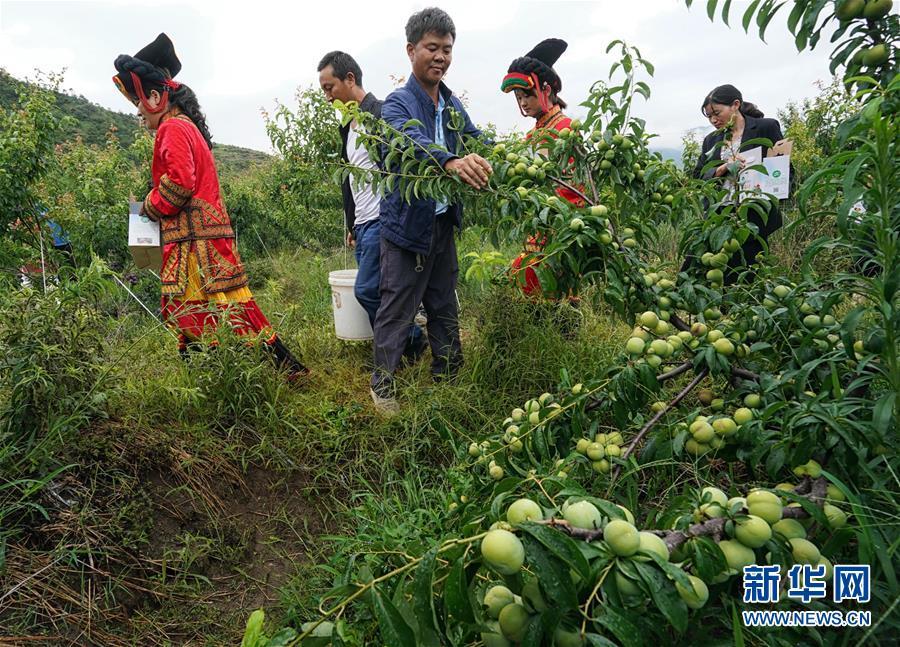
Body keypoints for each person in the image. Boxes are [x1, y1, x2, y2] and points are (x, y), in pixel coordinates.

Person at [112, 33, 308, 379]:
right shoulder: (187, 127)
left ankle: (223, 378)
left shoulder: (171, 128)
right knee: (228, 304)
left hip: (194, 242)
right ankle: (264, 372)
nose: (139, 111)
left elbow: (180, 184)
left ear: (156, 96)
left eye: (140, 102)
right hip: (205, 235)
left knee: (195, 308)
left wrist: (149, 204)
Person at [370, 7, 492, 412]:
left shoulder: (452, 105)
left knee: (443, 302)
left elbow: (475, 140)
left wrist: (497, 160)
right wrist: (450, 161)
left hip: (441, 223)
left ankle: (449, 377)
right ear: (411, 50)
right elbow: (409, 141)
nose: (440, 57)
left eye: (447, 49)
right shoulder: (396, 104)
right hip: (406, 228)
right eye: (432, 48)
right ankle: (382, 387)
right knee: (398, 306)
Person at [317, 51, 426, 363]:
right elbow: (350, 182)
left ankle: (412, 341)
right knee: (379, 292)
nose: (327, 97)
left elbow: (400, 170)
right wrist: (352, 224)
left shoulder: (381, 114)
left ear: (350, 79)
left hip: (383, 220)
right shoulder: (348, 129)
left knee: (367, 291)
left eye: (330, 87)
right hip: (364, 225)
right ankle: (402, 350)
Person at [500, 38, 584, 296]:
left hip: (563, 223)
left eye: (528, 94)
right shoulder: (533, 135)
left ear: (546, 90)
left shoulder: (566, 128)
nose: (523, 102)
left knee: (557, 289)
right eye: (519, 97)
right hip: (538, 222)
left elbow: (573, 185)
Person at [692, 84, 785, 282]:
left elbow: (783, 168)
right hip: (721, 213)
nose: (713, 120)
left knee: (748, 270)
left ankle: (741, 310)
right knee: (715, 267)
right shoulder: (712, 140)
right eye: (709, 116)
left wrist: (773, 199)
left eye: (717, 113)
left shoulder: (765, 128)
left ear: (735, 105)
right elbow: (699, 175)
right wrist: (722, 168)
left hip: (753, 211)